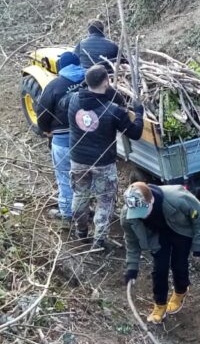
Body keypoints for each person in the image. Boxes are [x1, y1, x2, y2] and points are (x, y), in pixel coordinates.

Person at [68, 65, 144, 249]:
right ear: (106, 82)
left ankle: (81, 231)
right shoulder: (114, 111)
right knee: (105, 200)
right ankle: (99, 241)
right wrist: (139, 113)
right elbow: (135, 133)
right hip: (103, 163)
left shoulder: (72, 100)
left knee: (80, 194)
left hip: (78, 159)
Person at [121, 182, 200, 324]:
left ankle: (181, 291)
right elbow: (132, 242)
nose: (141, 217)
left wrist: (199, 245)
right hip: (158, 236)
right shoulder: (129, 215)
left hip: (180, 230)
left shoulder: (177, 198)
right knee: (159, 269)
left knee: (179, 265)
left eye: (143, 212)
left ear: (151, 201)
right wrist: (132, 267)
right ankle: (160, 305)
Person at [35, 50, 85, 221]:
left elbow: (42, 113)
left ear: (61, 67)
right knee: (86, 176)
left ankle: (67, 214)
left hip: (63, 140)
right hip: (88, 140)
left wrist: (46, 130)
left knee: (64, 176)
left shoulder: (54, 86)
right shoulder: (90, 79)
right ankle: (85, 209)